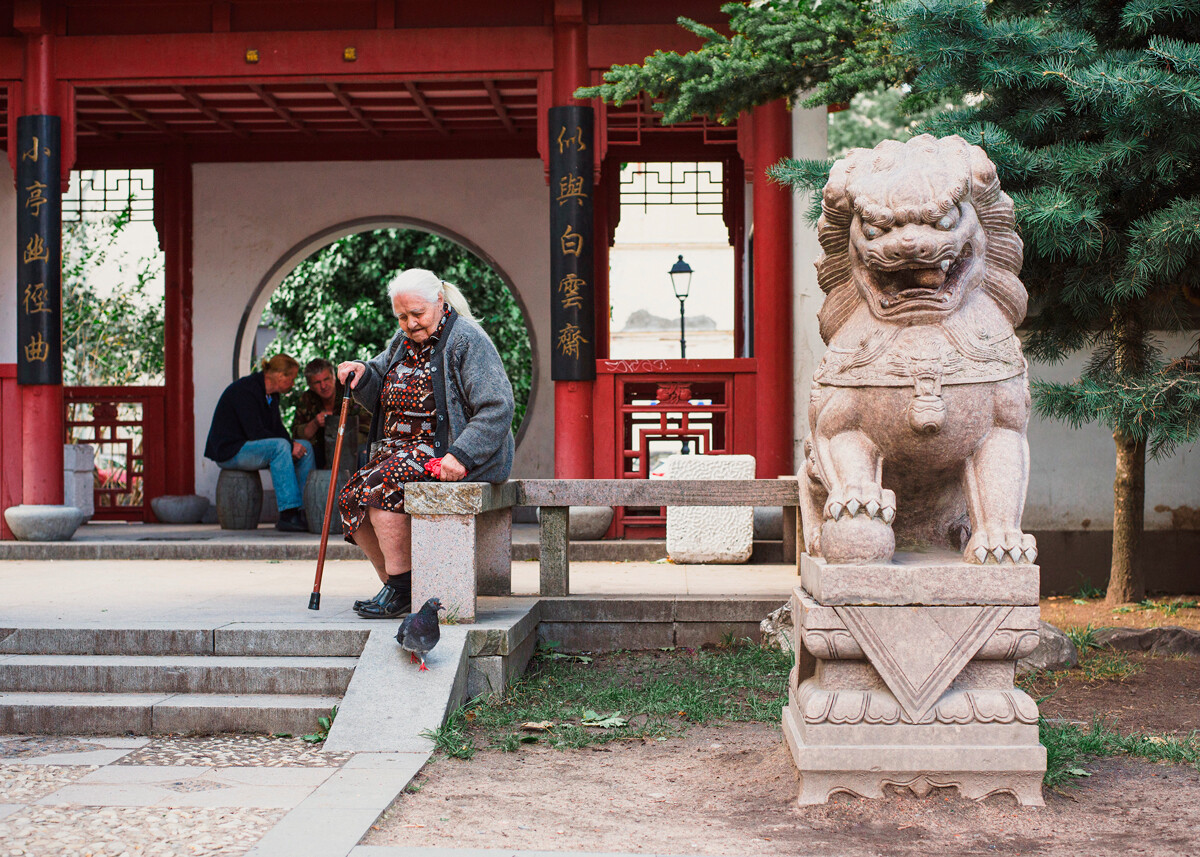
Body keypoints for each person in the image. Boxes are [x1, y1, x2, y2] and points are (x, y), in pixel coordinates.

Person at [336, 268, 515, 619]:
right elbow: (381, 387)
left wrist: (461, 455)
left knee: (381, 488)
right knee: (351, 496)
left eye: (417, 314)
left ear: (439, 301)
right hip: (402, 451)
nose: (410, 323)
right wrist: (361, 374)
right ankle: (399, 585)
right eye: (402, 316)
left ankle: (401, 589)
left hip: (449, 450)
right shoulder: (401, 341)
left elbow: (498, 406)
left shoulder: (467, 339)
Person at [204, 354, 315, 532]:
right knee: (280, 446)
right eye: (292, 379)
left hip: (251, 448)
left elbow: (277, 429)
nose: (292, 384)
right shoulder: (245, 390)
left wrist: (293, 443)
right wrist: (288, 444)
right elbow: (255, 433)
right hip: (231, 451)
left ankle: (305, 511)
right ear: (280, 376)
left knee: (305, 447)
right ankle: (289, 513)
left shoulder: (272, 395)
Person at [291, 358, 371, 470]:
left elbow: (368, 428)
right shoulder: (306, 399)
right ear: (310, 385)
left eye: (326, 379)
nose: (323, 386)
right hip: (319, 454)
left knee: (364, 450)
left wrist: (338, 423)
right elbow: (296, 435)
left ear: (334, 377)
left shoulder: (350, 393)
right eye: (317, 382)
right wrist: (315, 424)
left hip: (352, 450)